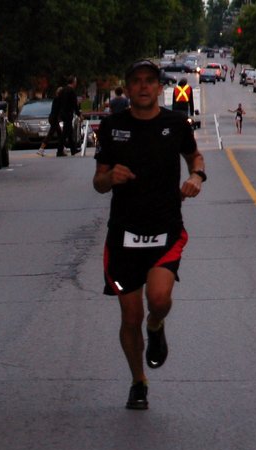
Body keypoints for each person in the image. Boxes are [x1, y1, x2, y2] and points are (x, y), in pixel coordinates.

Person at [92, 59, 205, 410]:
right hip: (124, 234)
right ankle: (138, 381)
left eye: (149, 81)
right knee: (130, 317)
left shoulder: (175, 123)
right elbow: (98, 181)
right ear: (127, 88)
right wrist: (110, 178)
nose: (143, 86)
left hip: (165, 228)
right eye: (136, 81)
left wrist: (196, 177)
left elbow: (195, 157)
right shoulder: (112, 127)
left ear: (159, 87)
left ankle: (156, 326)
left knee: (157, 300)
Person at [37, 86, 64, 157]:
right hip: (54, 119)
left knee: (59, 134)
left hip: (53, 118)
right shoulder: (58, 100)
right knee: (50, 134)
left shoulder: (56, 99)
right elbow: (59, 110)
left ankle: (63, 148)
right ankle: (41, 149)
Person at [56, 75, 79, 156]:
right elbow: (74, 104)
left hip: (63, 114)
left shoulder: (62, 90)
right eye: (75, 81)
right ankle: (59, 151)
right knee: (65, 133)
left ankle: (73, 149)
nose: (76, 83)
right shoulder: (72, 91)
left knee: (69, 132)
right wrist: (79, 114)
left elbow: (59, 103)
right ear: (73, 82)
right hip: (68, 114)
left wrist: (59, 113)